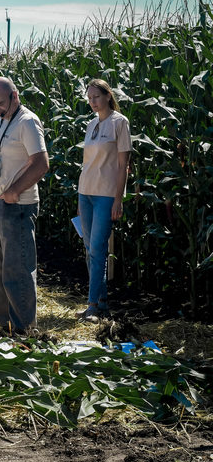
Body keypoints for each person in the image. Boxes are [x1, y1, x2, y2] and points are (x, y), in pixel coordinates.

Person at [0, 77, 49, 333]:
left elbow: (41, 163)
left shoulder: (27, 122)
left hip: (18, 206)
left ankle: (24, 330)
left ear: (15, 95)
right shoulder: (1, 120)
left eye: (0, 104)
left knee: (17, 271)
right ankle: (5, 327)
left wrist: (15, 190)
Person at [76, 78, 131, 322]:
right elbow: (87, 163)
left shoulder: (120, 123)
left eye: (96, 97)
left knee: (97, 249)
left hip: (106, 195)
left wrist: (118, 199)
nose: (92, 102)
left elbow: (123, 165)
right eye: (89, 98)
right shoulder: (91, 124)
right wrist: (80, 197)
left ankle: (92, 306)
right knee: (90, 250)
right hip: (86, 193)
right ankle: (102, 303)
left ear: (108, 96)